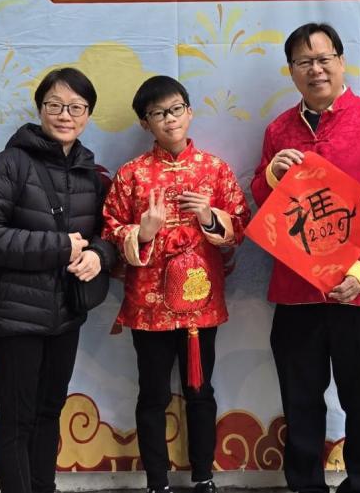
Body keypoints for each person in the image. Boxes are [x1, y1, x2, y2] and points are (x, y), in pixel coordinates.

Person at [252, 23, 360, 493]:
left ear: (342, 63)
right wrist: (270, 177)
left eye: (324, 59)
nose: (316, 70)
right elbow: (265, 205)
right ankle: (305, 487)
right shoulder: (278, 130)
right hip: (297, 293)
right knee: (300, 402)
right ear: (292, 71)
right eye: (304, 62)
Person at [0, 67, 119, 493]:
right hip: (15, 316)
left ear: (88, 115)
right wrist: (58, 248)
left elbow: (109, 233)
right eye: (55, 105)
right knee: (18, 418)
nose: (65, 115)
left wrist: (99, 256)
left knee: (50, 411)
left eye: (76, 107)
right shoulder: (9, 165)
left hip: (66, 312)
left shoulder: (90, 174)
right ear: (40, 109)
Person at [103, 75, 251, 493]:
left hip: (199, 304)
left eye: (175, 109)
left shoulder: (215, 169)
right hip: (148, 305)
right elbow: (110, 228)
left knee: (200, 392)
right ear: (145, 123)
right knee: (152, 394)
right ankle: (157, 481)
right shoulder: (131, 175)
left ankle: (203, 476)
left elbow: (240, 224)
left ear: (189, 112)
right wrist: (144, 232)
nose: (169, 120)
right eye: (158, 113)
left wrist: (208, 216)